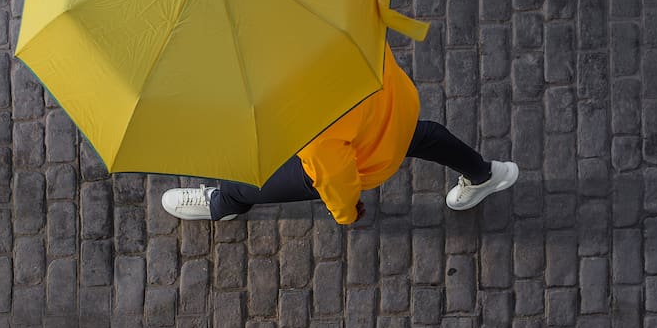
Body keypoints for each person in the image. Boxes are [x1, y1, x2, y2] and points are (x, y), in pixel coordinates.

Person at [160, 45, 519, 223]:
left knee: (245, 184)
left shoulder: (314, 131)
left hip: (368, 150)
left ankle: (224, 202)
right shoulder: (326, 25)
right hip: (393, 105)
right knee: (423, 136)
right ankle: (485, 174)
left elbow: (334, 178)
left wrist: (346, 212)